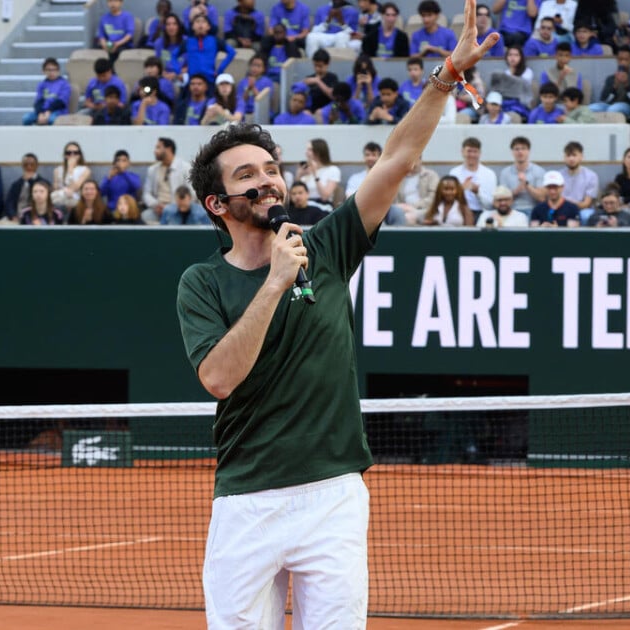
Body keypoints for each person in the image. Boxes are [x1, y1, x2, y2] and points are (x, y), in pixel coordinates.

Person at [176, 8, 496, 626]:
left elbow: (398, 158)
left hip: (334, 496)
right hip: (247, 501)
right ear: (218, 203)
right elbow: (218, 379)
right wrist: (274, 282)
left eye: (272, 169)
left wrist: (446, 75)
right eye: (248, 176)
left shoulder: (326, 245)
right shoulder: (202, 283)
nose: (268, 182)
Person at [174, 14, 237, 86]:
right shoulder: (187, 42)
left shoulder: (215, 40)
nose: (200, 24)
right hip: (192, 81)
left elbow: (231, 52)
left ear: (208, 26)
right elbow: (173, 55)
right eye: (197, 22)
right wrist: (178, 71)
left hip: (210, 80)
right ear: (192, 26)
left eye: (203, 22)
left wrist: (220, 69)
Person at [143, 137, 194, 219]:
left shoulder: (185, 168)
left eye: (158, 147)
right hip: (158, 209)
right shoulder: (152, 170)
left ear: (168, 149)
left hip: (179, 208)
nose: (155, 151)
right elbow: (146, 194)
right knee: (146, 216)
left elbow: (192, 192)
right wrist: (156, 204)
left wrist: (174, 207)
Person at [449, 137, 497, 213]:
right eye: (469, 151)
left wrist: (477, 192)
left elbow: (490, 205)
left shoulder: (489, 174)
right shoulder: (454, 173)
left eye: (475, 151)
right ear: (462, 152)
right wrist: (460, 189)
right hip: (459, 212)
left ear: (480, 153)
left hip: (482, 212)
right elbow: (449, 200)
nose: (472, 155)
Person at [499, 136, 546, 212]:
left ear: (528, 151)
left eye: (523, 148)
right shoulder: (505, 173)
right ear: (512, 152)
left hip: (533, 210)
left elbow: (542, 198)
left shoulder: (539, 171)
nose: (520, 152)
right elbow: (502, 199)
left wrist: (526, 184)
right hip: (511, 210)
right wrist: (517, 190)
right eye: (517, 149)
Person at [23, 58, 70, 126]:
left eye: (54, 70)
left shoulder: (64, 84)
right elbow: (38, 101)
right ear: (44, 71)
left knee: (51, 120)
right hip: (43, 111)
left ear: (58, 71)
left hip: (58, 111)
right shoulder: (42, 84)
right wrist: (40, 113)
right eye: (48, 70)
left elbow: (61, 102)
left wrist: (49, 111)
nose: (51, 72)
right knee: (26, 118)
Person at [296, 138, 342, 208]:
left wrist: (315, 174)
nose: (306, 152)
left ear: (319, 151)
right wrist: (299, 175)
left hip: (322, 206)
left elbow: (325, 197)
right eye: (307, 149)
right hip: (302, 206)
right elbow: (295, 193)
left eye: (310, 150)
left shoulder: (333, 170)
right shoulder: (305, 170)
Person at [4, 153, 49, 219]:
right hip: (18, 216)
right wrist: (13, 216)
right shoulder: (16, 184)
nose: (29, 167)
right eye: (26, 165)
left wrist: (30, 180)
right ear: (22, 166)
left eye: (32, 164)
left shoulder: (44, 183)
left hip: (37, 216)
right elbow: (9, 203)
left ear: (37, 165)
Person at [52, 142, 92, 209]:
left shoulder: (85, 170)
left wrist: (70, 169)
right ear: (65, 155)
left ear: (80, 155)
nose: (72, 155)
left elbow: (75, 188)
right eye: (69, 153)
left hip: (77, 200)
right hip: (60, 199)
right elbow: (56, 188)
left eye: (75, 153)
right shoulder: (57, 170)